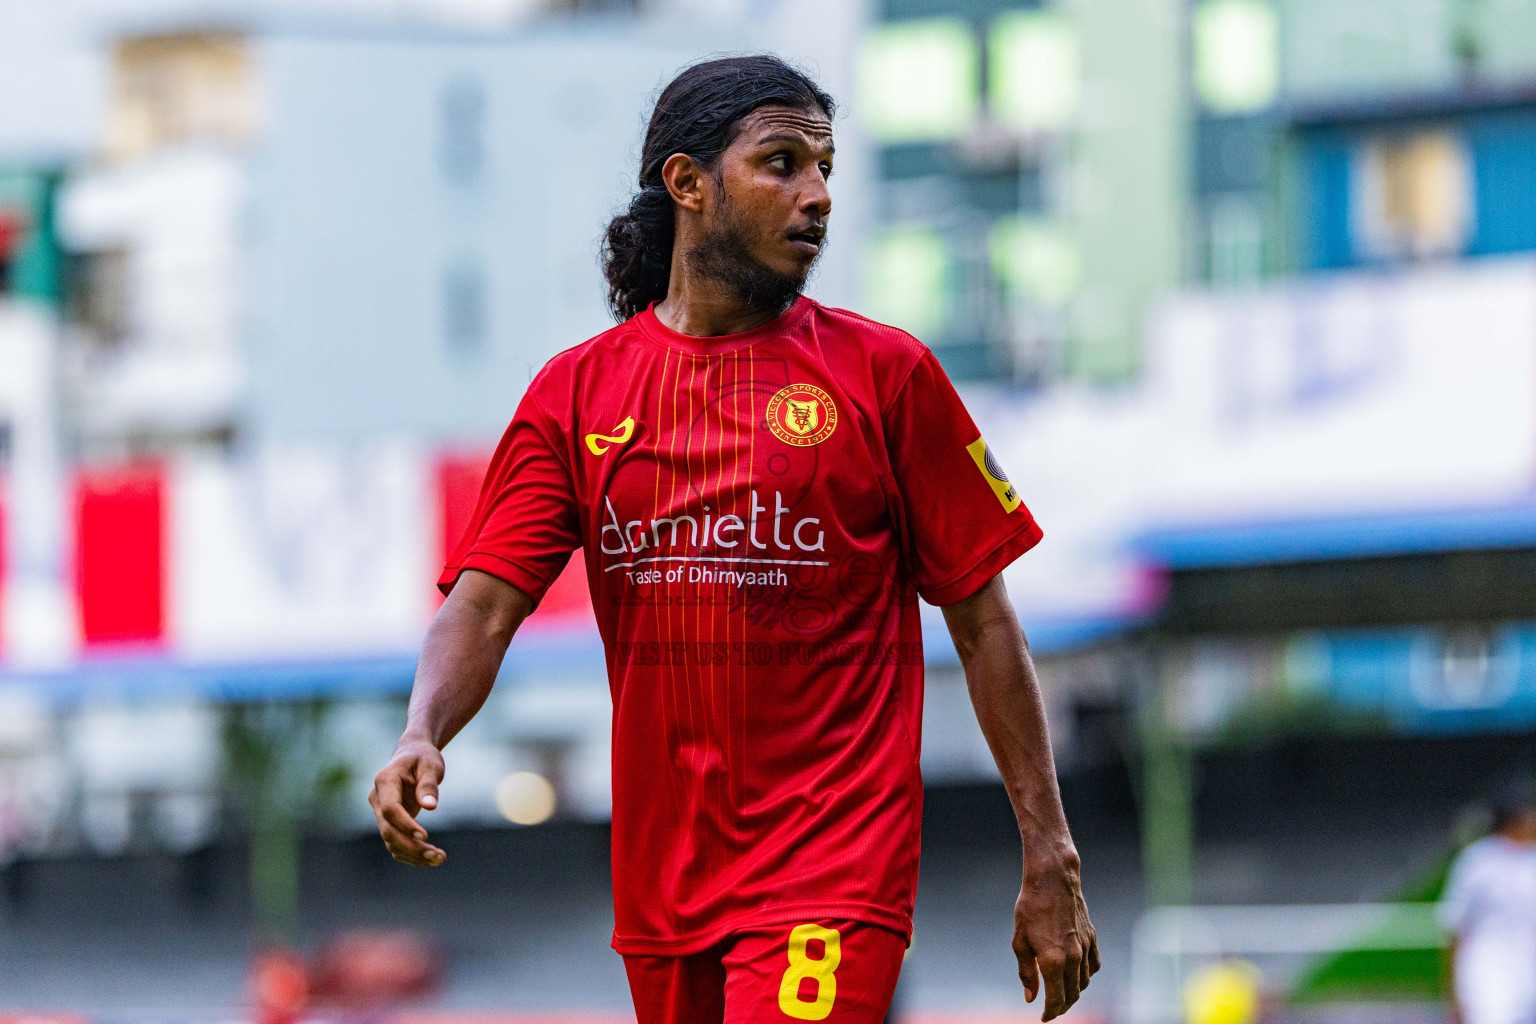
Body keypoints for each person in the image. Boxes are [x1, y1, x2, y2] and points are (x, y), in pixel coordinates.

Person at [369, 55, 1099, 1024]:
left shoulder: (887, 375)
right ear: (688, 184)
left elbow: (984, 624)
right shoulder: (575, 394)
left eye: (825, 167)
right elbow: (486, 603)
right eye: (783, 163)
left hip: (832, 869)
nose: (819, 196)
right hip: (664, 887)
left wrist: (1050, 850)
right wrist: (423, 727)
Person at [1440, 779, 1536, 1024]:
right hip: (1487, 985)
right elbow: (1454, 928)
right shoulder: (1477, 862)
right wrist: (1452, 995)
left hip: (1528, 983)